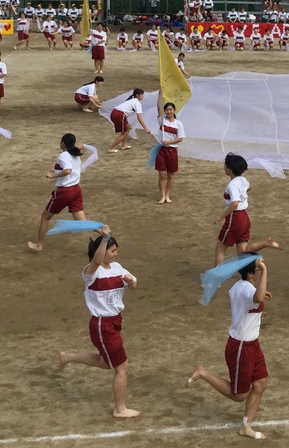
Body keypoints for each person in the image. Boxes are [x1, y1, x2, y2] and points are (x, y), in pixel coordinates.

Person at [58, 225, 140, 418]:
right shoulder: (91, 273)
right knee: (122, 367)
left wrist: (130, 282)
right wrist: (104, 238)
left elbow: (134, 285)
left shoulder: (118, 268)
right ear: (102, 252)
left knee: (106, 362)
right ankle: (119, 409)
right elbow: (96, 260)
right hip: (103, 325)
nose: (115, 255)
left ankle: (67, 357)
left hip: (114, 323)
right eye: (113, 251)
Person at [187, 256, 271, 439]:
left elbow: (252, 299)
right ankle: (203, 373)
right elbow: (254, 296)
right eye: (257, 269)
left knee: (260, 383)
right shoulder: (247, 290)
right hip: (242, 347)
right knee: (240, 395)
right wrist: (264, 272)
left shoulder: (239, 287)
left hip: (252, 344)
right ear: (251, 273)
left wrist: (261, 294)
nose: (260, 270)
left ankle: (246, 427)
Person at [213, 153, 282, 266]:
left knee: (220, 250)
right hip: (245, 218)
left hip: (235, 219)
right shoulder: (243, 180)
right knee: (243, 251)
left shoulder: (232, 185)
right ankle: (266, 243)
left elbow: (235, 203)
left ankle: (217, 279)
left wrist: (221, 216)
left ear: (229, 169)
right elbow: (249, 187)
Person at [27, 134, 88, 253]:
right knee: (83, 222)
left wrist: (52, 175)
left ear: (63, 143)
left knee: (45, 217)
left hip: (65, 191)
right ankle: (103, 232)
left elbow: (67, 170)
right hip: (76, 190)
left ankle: (39, 245)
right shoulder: (76, 154)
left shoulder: (64, 155)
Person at [155, 102, 184, 204]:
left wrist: (168, 142)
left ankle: (167, 195)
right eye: (167, 110)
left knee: (170, 174)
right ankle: (162, 196)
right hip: (161, 150)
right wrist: (159, 93)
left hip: (172, 150)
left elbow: (180, 138)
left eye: (170, 109)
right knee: (162, 174)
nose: (168, 111)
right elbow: (158, 107)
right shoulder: (162, 120)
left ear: (174, 110)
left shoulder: (178, 124)